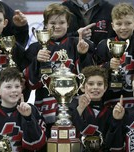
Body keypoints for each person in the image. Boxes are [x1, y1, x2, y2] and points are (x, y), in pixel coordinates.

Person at [18, 3, 94, 138]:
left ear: (68, 24)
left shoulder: (77, 43)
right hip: (45, 109)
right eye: (52, 22)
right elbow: (31, 83)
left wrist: (83, 55)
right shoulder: (35, 49)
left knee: (74, 149)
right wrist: (37, 61)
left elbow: (87, 79)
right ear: (45, 25)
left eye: (61, 22)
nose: (57, 26)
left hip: (74, 107)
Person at [69, 65, 133, 152]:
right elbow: (67, 134)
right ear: (83, 87)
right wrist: (79, 110)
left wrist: (116, 120)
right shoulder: (72, 106)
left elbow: (112, 146)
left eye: (99, 84)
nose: (95, 87)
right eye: (90, 84)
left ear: (105, 87)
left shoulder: (109, 112)